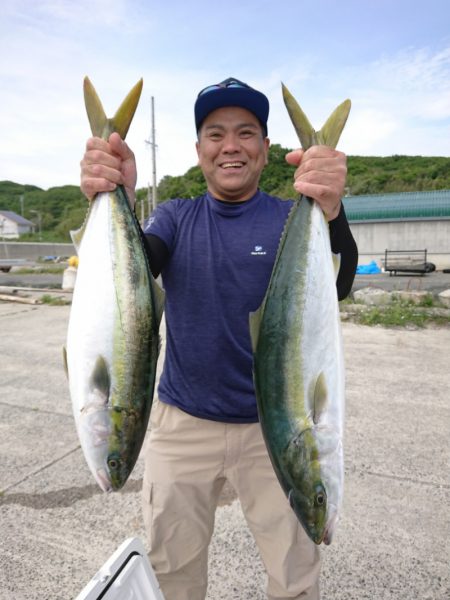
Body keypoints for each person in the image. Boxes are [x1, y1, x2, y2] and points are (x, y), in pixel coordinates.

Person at [80, 77, 358, 600]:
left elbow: (339, 284)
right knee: (172, 574)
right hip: (181, 424)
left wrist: (332, 209)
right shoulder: (175, 217)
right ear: (199, 150)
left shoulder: (288, 219)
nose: (230, 146)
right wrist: (116, 193)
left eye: (246, 132)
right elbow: (136, 270)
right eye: (215, 134)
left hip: (275, 430)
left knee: (296, 576)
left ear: (267, 149)